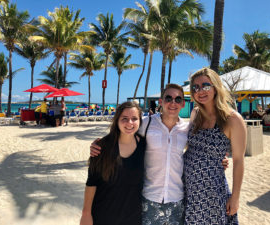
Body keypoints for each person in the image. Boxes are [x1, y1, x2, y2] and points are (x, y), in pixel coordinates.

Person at [90, 84, 229, 225]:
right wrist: (100, 144)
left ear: (182, 104)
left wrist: (217, 160)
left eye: (177, 99)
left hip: (177, 199)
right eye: (168, 98)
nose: (172, 102)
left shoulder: (187, 129)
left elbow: (197, 150)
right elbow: (123, 133)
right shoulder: (146, 123)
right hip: (149, 199)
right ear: (161, 102)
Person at [184, 68, 246, 224]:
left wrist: (235, 197)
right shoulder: (195, 114)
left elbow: (239, 160)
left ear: (216, 87)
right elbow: (188, 147)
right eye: (195, 87)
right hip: (188, 188)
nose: (200, 91)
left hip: (212, 191)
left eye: (205, 85)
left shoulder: (232, 119)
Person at [80, 101, 146, 225]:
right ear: (117, 120)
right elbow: (91, 183)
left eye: (134, 119)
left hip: (133, 217)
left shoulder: (144, 145)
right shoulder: (101, 147)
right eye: (124, 118)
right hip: (103, 215)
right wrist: (86, 214)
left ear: (140, 121)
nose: (130, 123)